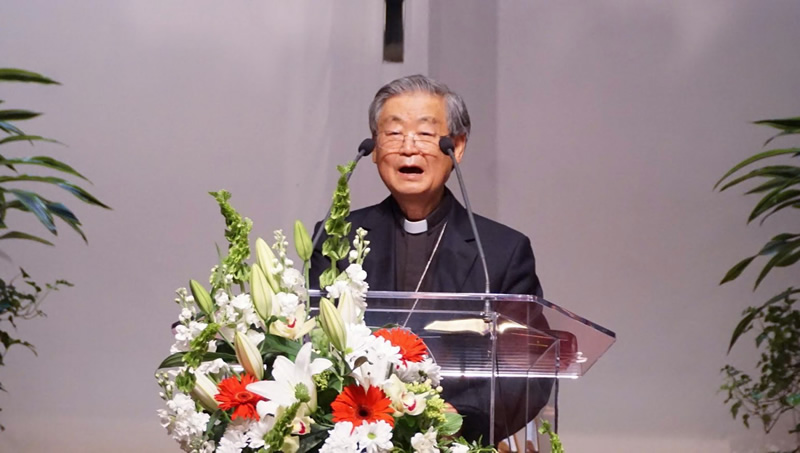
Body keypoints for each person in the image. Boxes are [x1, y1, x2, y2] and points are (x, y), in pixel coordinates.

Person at [310, 74, 552, 443]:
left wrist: (456, 421)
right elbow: (312, 344)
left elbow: (529, 368)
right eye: (393, 133)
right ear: (374, 148)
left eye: (425, 134)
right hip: (355, 433)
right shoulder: (335, 239)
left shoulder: (501, 251)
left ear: (457, 147)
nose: (409, 148)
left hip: (459, 440)